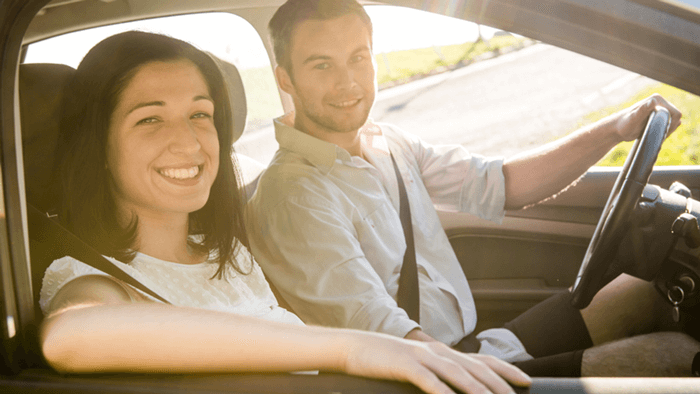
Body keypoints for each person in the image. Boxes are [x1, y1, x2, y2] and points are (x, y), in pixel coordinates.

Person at [37, 31, 532, 394]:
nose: (187, 142)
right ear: (98, 146)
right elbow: (70, 336)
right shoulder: (93, 280)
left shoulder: (225, 253)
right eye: (149, 119)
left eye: (200, 114)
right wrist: (353, 347)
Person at [246, 0, 700, 377]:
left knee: (648, 291)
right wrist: (477, 373)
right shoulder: (293, 195)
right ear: (285, 78)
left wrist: (614, 129)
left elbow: (501, 183)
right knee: (674, 358)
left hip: (471, 348)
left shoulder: (387, 143)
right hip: (422, 375)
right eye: (321, 64)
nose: (346, 82)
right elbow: (378, 331)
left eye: (358, 57)